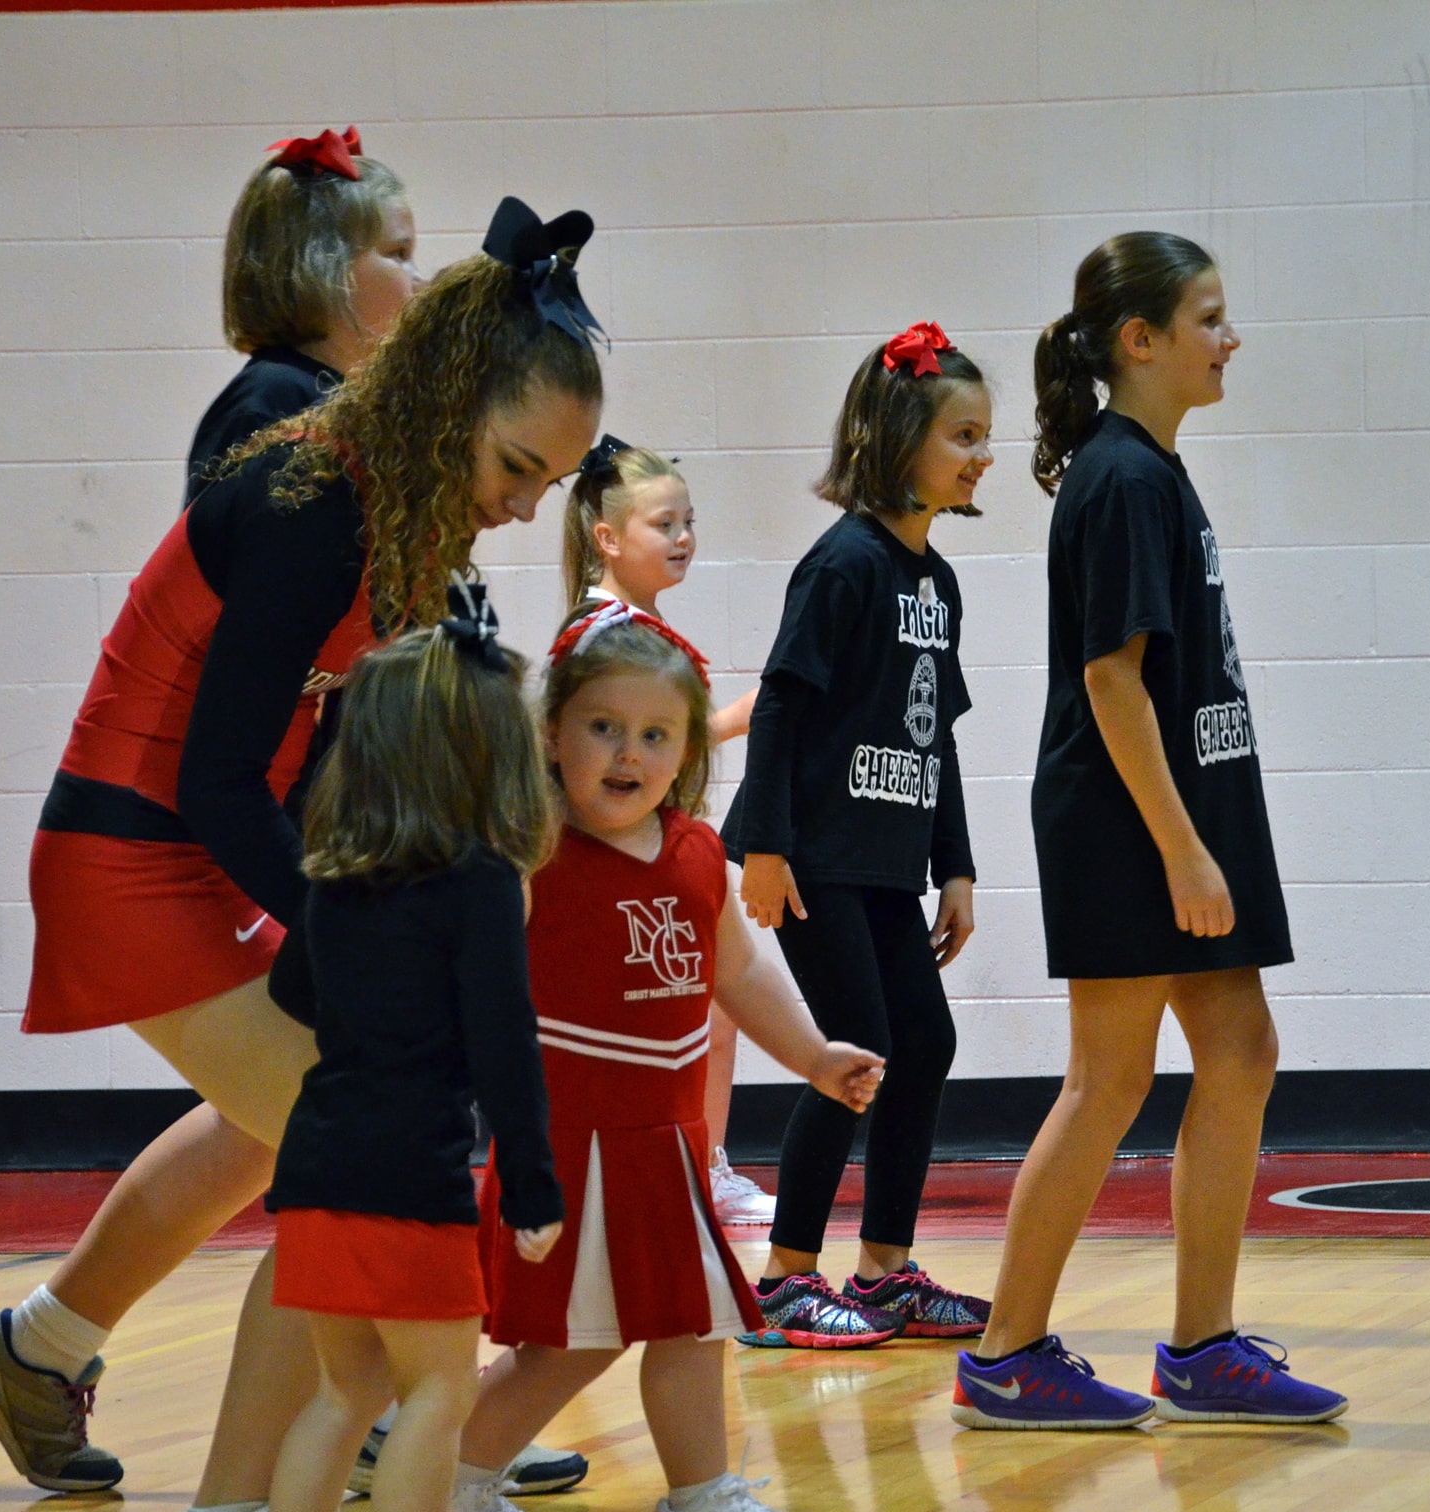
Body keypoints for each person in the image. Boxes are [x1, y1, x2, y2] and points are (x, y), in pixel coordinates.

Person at [0, 197, 605, 1512]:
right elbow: (216, 772)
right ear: (450, 404)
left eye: (552, 482)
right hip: (136, 852)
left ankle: (162, 1442)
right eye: (518, 466)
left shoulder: (395, 504)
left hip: (197, 844)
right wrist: (348, 937)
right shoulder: (317, 500)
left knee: (297, 1143)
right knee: (344, 1138)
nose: (528, 504)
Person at [953, 234, 1346, 1429]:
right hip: (1127, 817)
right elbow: (1111, 682)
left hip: (1185, 806)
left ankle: (1202, 1347)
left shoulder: (1154, 469)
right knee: (1111, 1076)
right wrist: (1180, 846)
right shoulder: (1118, 477)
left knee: (1240, 1052)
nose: (1230, 340)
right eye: (1209, 318)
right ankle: (1004, 1353)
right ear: (1140, 340)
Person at [438, 599, 876, 1512]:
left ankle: (693, 1505)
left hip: (665, 1148)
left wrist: (810, 1054)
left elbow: (744, 976)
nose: (626, 753)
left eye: (654, 734)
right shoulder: (528, 853)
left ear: (686, 752)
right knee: (572, 1348)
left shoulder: (695, 856)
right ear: (551, 735)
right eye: (603, 727)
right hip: (571, 1147)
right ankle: (457, 1492)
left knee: (689, 1323)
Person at [232, 598, 561, 1512]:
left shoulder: (336, 880)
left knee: (342, 1391)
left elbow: (291, 990)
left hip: (318, 1159)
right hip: (407, 1171)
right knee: (437, 1394)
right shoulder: (479, 885)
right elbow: (507, 1044)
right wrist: (538, 1187)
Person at [721, 323, 992, 1347]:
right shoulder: (841, 565)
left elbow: (941, 735)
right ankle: (786, 1278)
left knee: (924, 1040)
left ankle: (882, 1270)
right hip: (814, 855)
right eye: (962, 434)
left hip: (885, 858)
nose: (981, 456)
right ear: (896, 440)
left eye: (983, 437)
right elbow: (783, 706)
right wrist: (766, 848)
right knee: (858, 1052)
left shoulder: (938, 583)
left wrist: (956, 866)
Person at [563, 438, 769, 1225]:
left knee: (710, 1013)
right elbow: (611, 757)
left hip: (657, 850)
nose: (683, 537)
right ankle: (678, 1168)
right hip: (617, 859)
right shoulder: (605, 633)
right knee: (680, 1017)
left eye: (689, 521)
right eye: (663, 523)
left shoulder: (641, 626)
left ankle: (703, 1163)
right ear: (608, 537)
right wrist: (731, 722)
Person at [189, 126, 421, 500]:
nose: (418, 281)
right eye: (398, 254)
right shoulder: (268, 403)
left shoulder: (329, 391)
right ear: (328, 267)